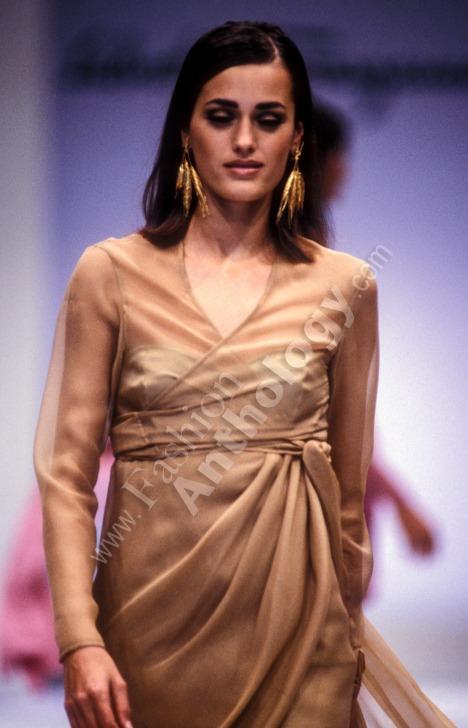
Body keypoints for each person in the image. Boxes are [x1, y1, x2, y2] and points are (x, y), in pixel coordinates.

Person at [32, 20, 456, 728]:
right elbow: (67, 477)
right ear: (185, 130)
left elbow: (349, 495)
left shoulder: (345, 286)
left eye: (268, 119)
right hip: (147, 626)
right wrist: (79, 639)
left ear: (297, 138)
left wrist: (348, 622)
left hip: (303, 626)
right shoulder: (111, 274)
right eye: (221, 116)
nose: (244, 141)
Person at [311, 101, 438, 601]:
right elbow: (329, 417)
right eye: (340, 156)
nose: (346, 171)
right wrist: (403, 504)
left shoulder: (322, 262)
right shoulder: (313, 268)